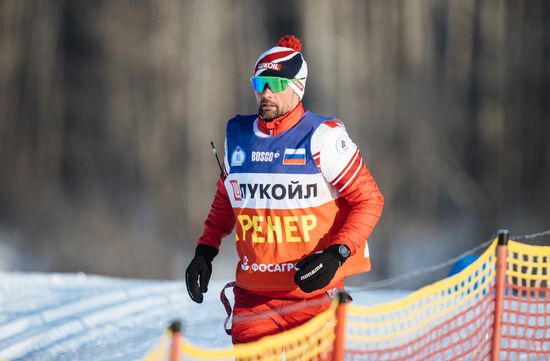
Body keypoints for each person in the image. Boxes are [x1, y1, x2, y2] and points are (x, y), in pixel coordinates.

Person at [185, 35, 384, 344]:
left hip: (311, 294)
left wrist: (337, 253)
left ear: (297, 87)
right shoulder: (237, 135)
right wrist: (205, 251)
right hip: (254, 297)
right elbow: (227, 199)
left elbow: (369, 200)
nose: (265, 93)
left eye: (275, 85)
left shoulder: (323, 137)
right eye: (259, 83)